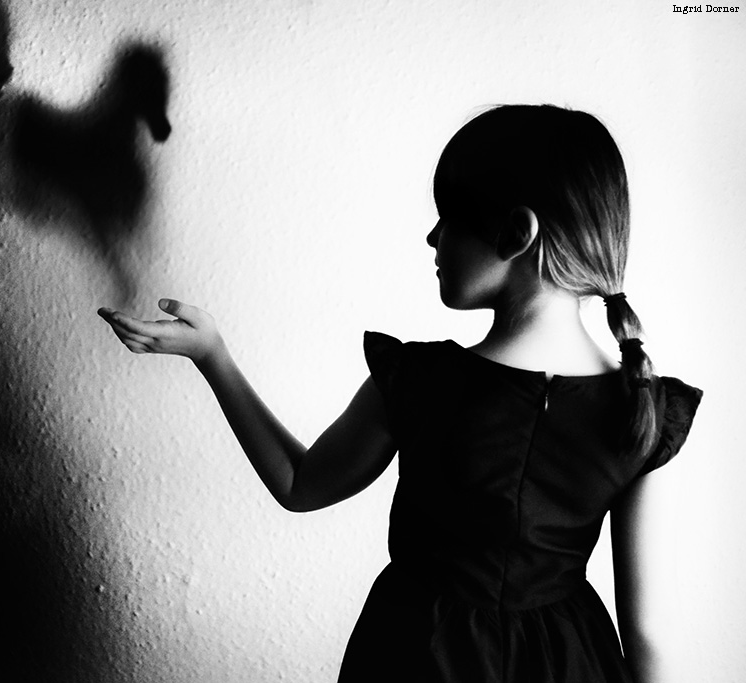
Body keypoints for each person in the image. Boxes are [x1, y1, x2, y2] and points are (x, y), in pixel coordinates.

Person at [97, 104, 702, 682]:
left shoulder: (418, 380)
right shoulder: (644, 408)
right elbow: (649, 634)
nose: (433, 237)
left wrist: (214, 358)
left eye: (449, 215)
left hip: (418, 657)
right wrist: (211, 355)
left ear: (517, 232)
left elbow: (300, 485)